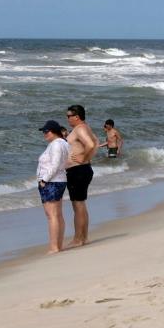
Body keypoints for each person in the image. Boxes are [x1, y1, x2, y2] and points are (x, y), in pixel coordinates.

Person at [65, 104, 98, 247]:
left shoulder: (80, 129)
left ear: (77, 117)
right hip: (83, 169)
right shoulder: (86, 127)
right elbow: (96, 143)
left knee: (77, 205)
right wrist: (87, 158)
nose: (67, 119)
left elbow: (91, 144)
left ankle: (78, 239)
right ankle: (84, 238)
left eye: (69, 116)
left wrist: (83, 158)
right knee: (81, 204)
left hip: (78, 170)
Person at [37, 120, 70, 254]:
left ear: (54, 131)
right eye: (44, 132)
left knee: (52, 216)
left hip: (52, 182)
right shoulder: (63, 143)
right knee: (57, 215)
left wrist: (44, 180)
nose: (44, 134)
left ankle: (54, 247)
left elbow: (55, 164)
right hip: (59, 180)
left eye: (46, 131)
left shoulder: (56, 145)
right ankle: (58, 245)